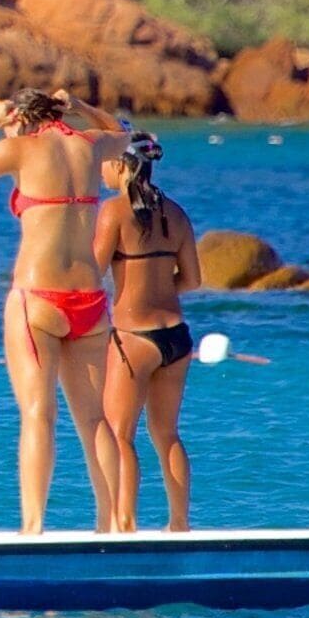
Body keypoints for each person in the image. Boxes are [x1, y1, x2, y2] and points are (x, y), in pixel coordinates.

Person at [0, 88, 134, 533]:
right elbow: (123, 135)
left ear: (20, 119)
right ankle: (111, 525)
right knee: (94, 419)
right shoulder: (89, 146)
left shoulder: (20, 148)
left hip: (38, 299)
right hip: (90, 298)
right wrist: (83, 109)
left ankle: (33, 526)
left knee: (37, 414)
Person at [95, 129, 203, 532]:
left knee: (120, 434)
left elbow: (91, 272)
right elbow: (192, 279)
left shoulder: (113, 211)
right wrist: (157, 288)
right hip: (176, 335)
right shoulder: (176, 212)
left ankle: (126, 523)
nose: (101, 168)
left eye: (106, 160)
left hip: (133, 339)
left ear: (122, 165)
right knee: (167, 434)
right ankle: (179, 525)